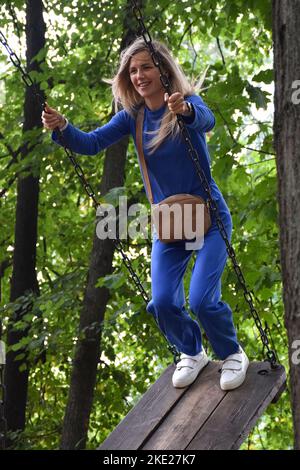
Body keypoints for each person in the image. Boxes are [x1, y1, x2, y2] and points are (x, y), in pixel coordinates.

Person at [42, 37, 249, 390]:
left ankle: (232, 353)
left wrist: (184, 110)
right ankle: (192, 351)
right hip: (171, 223)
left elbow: (206, 119)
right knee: (164, 302)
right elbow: (91, 144)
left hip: (210, 219)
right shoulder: (133, 117)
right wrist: (62, 127)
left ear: (164, 70)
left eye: (146, 67)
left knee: (200, 299)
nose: (139, 75)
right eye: (133, 70)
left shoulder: (186, 105)